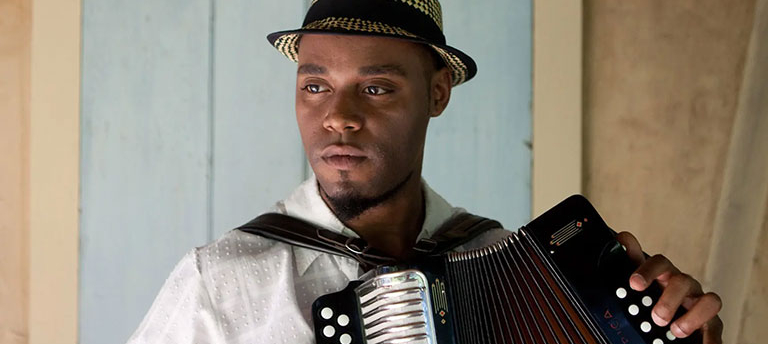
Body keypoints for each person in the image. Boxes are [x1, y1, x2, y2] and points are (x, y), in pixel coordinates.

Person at [127, 0, 723, 343]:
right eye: (314, 86)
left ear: (437, 93)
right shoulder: (221, 283)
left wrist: (681, 333)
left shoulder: (517, 269)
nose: (338, 118)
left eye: (377, 88)